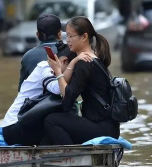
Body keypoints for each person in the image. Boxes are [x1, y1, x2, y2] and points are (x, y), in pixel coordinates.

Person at [44, 16, 119, 145]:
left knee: (51, 120)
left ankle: (70, 158)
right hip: (108, 126)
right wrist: (72, 62)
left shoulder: (85, 63)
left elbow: (67, 99)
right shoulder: (90, 58)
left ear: (84, 37)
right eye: (66, 37)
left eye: (70, 36)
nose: (67, 41)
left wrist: (57, 71)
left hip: (102, 128)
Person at [1, 42, 93, 146]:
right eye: (72, 69)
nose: (72, 73)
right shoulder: (44, 68)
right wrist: (73, 63)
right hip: (14, 126)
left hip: (28, 122)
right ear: (64, 61)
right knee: (55, 123)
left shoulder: (55, 72)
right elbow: (58, 89)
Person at [18, 14, 63, 91]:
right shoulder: (70, 52)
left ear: (37, 35)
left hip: (35, 101)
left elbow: (22, 89)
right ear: (59, 34)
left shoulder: (27, 56)